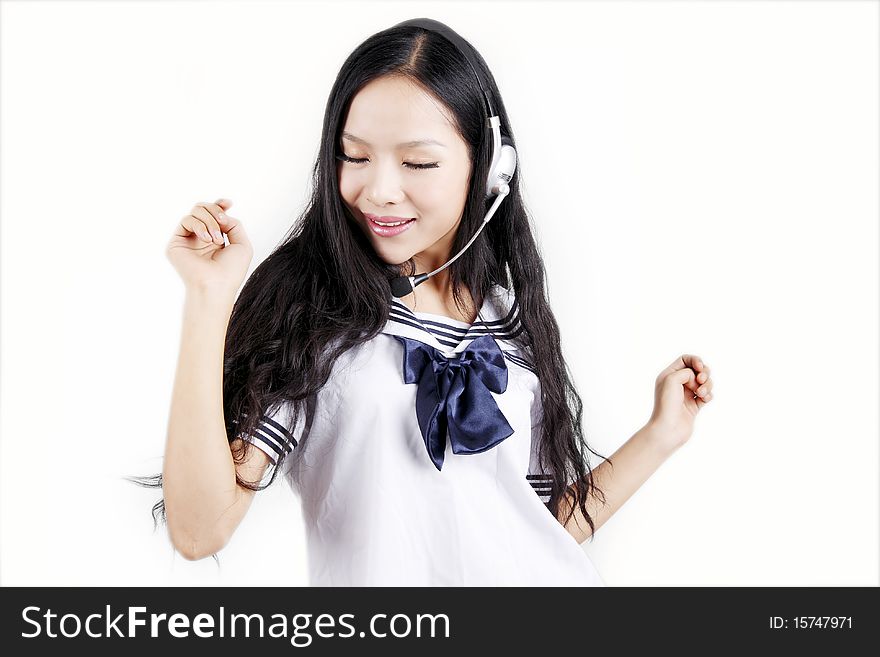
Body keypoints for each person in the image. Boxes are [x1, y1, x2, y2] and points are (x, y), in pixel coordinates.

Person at [134, 18, 715, 586]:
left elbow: (535, 532)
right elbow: (198, 531)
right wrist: (208, 300)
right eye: (354, 156)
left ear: (489, 170)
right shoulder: (312, 310)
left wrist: (661, 433)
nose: (379, 190)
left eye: (418, 163)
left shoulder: (509, 320)